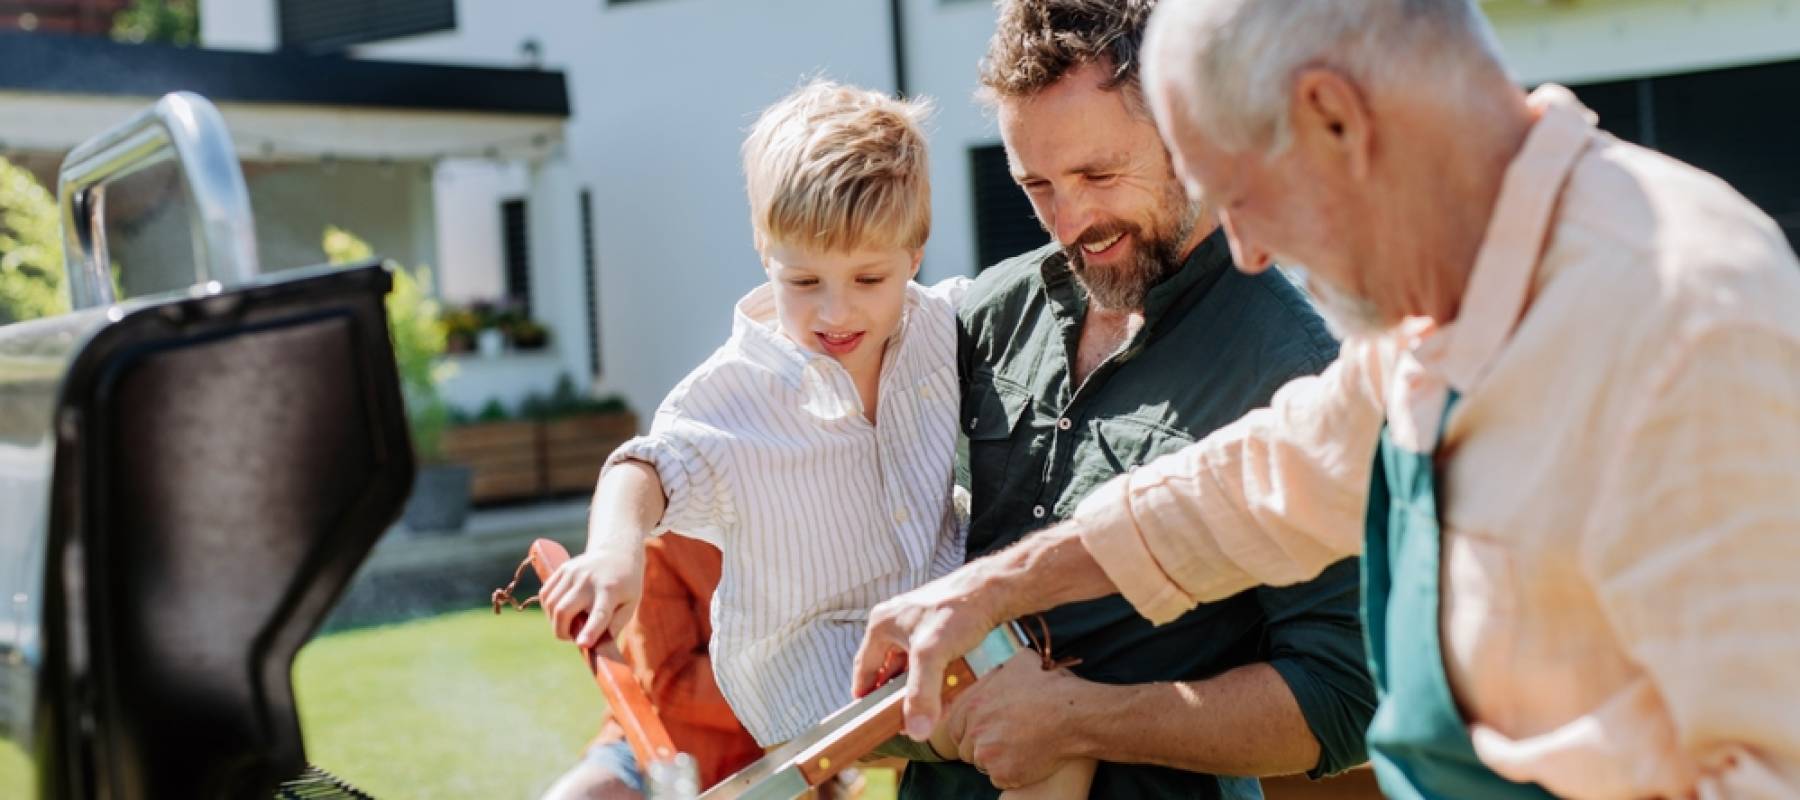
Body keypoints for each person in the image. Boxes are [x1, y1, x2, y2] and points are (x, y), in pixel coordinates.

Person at [854, 1, 1800, 798]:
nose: (1251, 251)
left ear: (1333, 117)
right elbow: (1265, 481)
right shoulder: (1451, 299)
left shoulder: (1684, 327)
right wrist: (994, 587)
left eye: (1242, 193)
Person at [871, 2, 1377, 798]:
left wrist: (1083, 721)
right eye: (1037, 185)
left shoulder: (1299, 372)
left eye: (1099, 176)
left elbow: (1342, 700)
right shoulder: (989, 312)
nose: (1070, 221)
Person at [539, 78, 1092, 798]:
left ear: (914, 254)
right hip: (813, 666)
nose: (836, 312)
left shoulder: (940, 325)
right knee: (1036, 731)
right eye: (803, 282)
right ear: (764, 250)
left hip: (931, 623)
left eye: (868, 278)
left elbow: (1041, 300)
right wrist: (615, 551)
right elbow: (642, 467)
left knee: (1060, 703)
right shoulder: (735, 393)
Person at [541, 534, 762, 800]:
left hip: (768, 755)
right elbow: (672, 682)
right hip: (652, 748)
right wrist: (777, 683)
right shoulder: (664, 539)